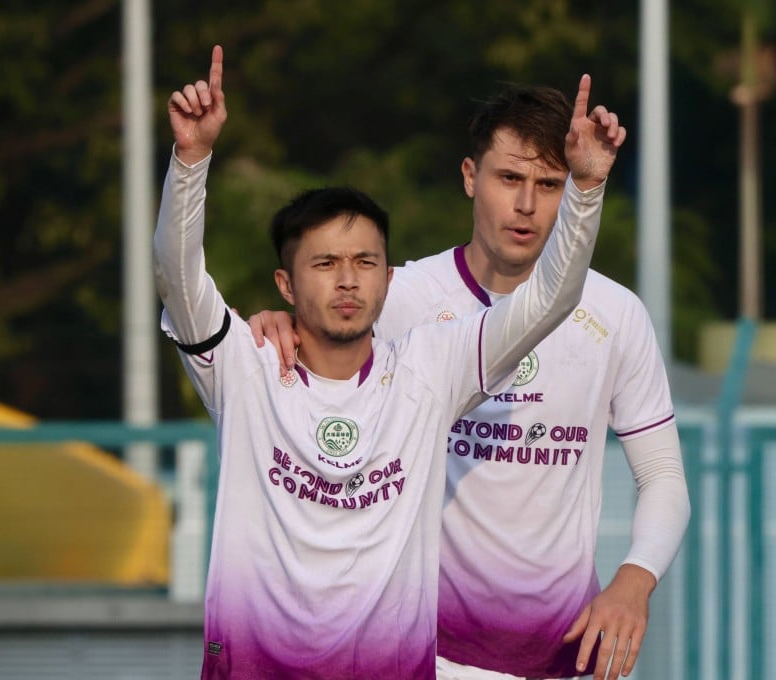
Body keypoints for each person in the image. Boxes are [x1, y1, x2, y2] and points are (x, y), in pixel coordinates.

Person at [154, 45, 625, 680]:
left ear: (388, 279)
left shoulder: (432, 371)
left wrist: (586, 188)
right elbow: (177, 277)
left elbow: (550, 300)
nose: (347, 280)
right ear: (285, 285)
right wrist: (190, 160)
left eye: (365, 262)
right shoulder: (244, 367)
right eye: (324, 263)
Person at [250, 84, 690, 680]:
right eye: (509, 179)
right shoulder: (401, 300)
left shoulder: (616, 314)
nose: (527, 205)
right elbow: (314, 354)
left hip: (567, 657)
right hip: (425, 656)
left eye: (550, 185)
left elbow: (663, 477)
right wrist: (280, 323)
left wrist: (635, 580)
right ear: (468, 176)